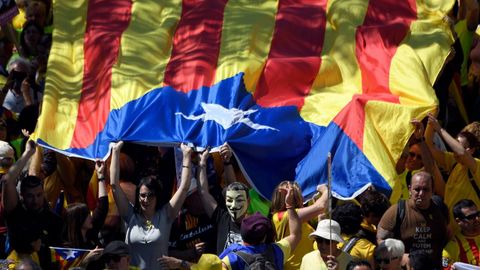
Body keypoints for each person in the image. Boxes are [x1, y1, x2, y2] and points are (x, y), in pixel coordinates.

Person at [110, 141, 193, 269]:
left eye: (150, 195)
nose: (146, 199)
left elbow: (184, 188)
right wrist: (115, 151)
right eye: (142, 195)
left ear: (157, 197)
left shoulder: (166, 214)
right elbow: (114, 185)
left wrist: (187, 156)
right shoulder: (130, 215)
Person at [3, 140, 63, 269]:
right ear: (22, 196)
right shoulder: (16, 212)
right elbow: (8, 181)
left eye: (39, 195)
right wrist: (28, 153)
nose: (35, 200)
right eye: (30, 196)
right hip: (15, 265)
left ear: (43, 193)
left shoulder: (53, 220)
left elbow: (58, 254)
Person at [219, 181, 301, 270]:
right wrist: (290, 206)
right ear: (264, 236)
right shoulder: (277, 251)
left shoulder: (231, 259)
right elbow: (295, 235)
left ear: (242, 233)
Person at [377, 171, 448, 269]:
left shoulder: (440, 209)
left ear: (432, 190)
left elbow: (448, 237)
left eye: (426, 189)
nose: (421, 194)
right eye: (417, 189)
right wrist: (401, 256)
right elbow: (381, 240)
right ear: (410, 189)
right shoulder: (397, 211)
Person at [426, 113, 480, 233]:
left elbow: (461, 153)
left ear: (470, 150)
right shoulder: (453, 162)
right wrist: (430, 123)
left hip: (470, 233)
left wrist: (439, 129)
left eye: (456, 145)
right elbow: (429, 146)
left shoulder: (477, 166)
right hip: (449, 230)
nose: (453, 151)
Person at [196, 146, 251, 254]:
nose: (234, 205)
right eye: (230, 201)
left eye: (239, 200)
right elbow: (203, 193)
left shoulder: (255, 224)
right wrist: (202, 163)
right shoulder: (222, 218)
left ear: (248, 201)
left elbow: (234, 189)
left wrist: (227, 162)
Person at [270, 181, 328, 270]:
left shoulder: (299, 219)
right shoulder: (284, 216)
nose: (302, 197)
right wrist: (325, 190)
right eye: (299, 194)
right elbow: (321, 206)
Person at [62, 160, 108, 249]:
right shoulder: (66, 247)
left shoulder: (91, 233)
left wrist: (101, 176)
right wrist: (87, 259)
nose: (90, 216)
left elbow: (103, 207)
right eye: (86, 215)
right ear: (78, 220)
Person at [442, 199, 480, 269]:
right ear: (459, 221)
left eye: (478, 214)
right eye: (471, 217)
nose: (477, 219)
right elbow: (443, 265)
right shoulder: (454, 245)